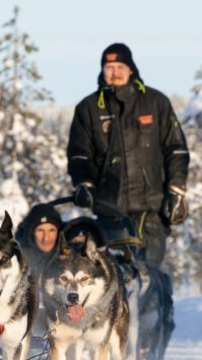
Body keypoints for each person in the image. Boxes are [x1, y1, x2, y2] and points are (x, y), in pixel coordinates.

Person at [66, 42, 189, 275]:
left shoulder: (155, 102)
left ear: (131, 69)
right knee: (114, 277)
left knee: (150, 277)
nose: (114, 72)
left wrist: (177, 190)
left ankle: (156, 312)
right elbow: (79, 154)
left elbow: (177, 150)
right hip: (109, 212)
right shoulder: (89, 108)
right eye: (109, 67)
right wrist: (85, 184)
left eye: (119, 66)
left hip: (151, 210)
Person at [14, 203, 63, 277]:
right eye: (40, 230)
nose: (46, 238)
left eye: (51, 230)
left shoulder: (67, 255)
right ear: (32, 233)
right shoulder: (18, 261)